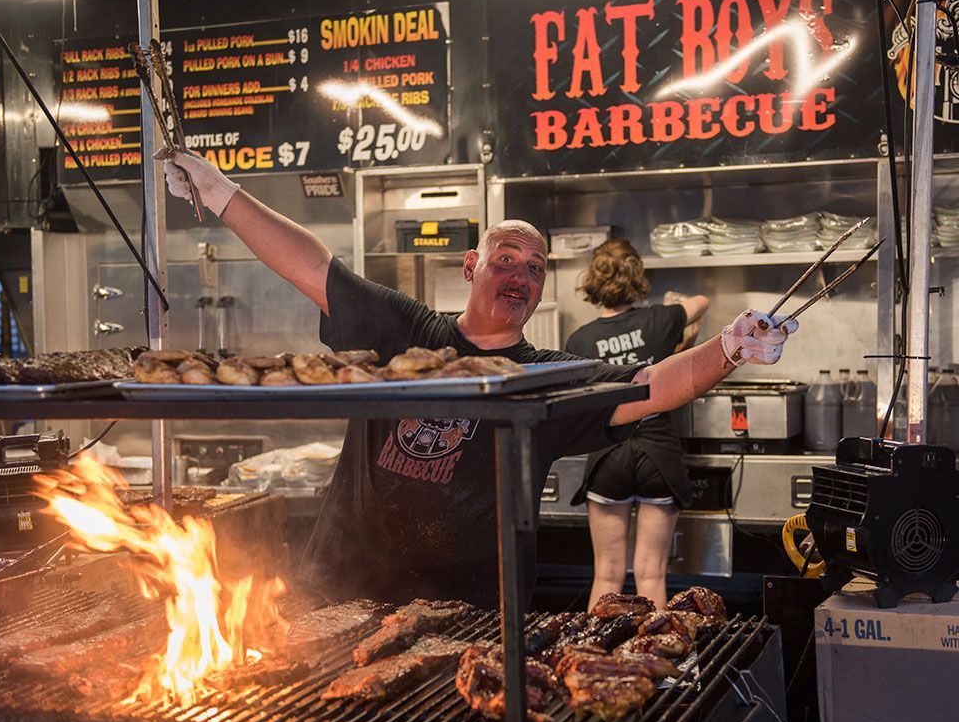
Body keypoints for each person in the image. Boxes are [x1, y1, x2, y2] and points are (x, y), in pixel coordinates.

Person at [162, 152, 797, 608]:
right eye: (506, 260)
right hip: (343, 589)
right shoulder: (405, 333)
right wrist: (222, 195)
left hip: (473, 615)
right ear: (472, 267)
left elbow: (652, 384)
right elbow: (313, 267)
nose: (521, 275)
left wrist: (731, 346)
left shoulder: (544, 377)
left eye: (536, 267)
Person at [565, 239, 709, 609]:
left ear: (594, 284)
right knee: (650, 574)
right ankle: (654, 653)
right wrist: (669, 309)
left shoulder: (579, 339)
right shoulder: (658, 321)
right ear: (637, 279)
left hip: (607, 455)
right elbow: (700, 304)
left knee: (607, 574)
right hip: (657, 454)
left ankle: (594, 661)